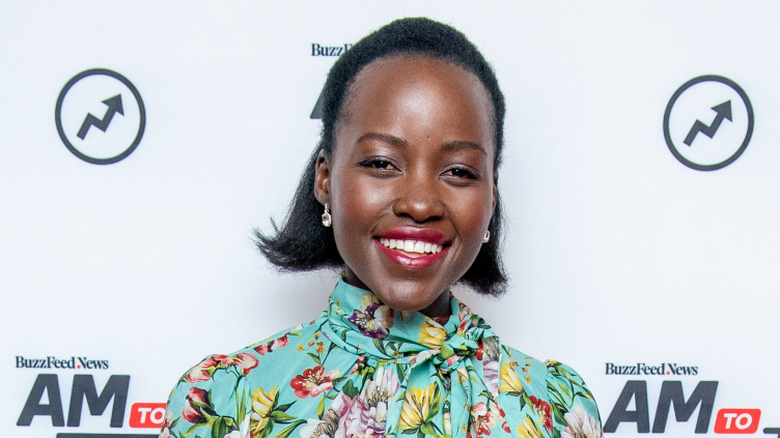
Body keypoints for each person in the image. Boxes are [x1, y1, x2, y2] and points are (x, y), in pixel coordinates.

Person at [161, 17, 602, 438]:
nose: (420, 203)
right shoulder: (219, 400)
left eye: (459, 172)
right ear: (326, 179)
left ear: (491, 195)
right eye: (381, 163)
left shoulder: (558, 409)